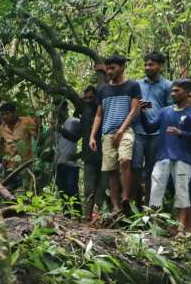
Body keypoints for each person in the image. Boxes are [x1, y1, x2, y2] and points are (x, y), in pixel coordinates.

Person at [139, 79, 191, 230]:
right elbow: (149, 128)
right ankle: (154, 227)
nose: (173, 93)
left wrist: (181, 133)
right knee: (156, 191)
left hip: (183, 158)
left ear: (187, 93)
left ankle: (180, 228)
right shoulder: (164, 111)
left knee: (182, 193)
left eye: (177, 91)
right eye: (172, 91)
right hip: (162, 157)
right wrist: (141, 113)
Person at [89, 54, 142, 214]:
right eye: (108, 68)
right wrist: (92, 136)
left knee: (125, 160)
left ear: (122, 67)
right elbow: (99, 114)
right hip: (107, 134)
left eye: (113, 68)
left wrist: (120, 131)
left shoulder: (132, 86)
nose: (110, 71)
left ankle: (125, 197)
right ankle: (116, 206)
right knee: (111, 171)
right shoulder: (103, 89)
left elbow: (134, 110)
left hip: (125, 131)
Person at [133, 52, 173, 205]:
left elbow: (169, 109)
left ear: (160, 66)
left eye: (151, 65)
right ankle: (134, 205)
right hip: (138, 130)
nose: (147, 68)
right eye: (146, 65)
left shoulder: (168, 86)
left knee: (151, 170)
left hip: (157, 133)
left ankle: (149, 206)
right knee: (135, 168)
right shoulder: (137, 84)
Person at [0, 102, 38, 190]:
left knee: (25, 190)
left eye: (7, 114)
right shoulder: (2, 128)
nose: (4, 117)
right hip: (9, 166)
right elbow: (1, 146)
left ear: (14, 113)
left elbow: (37, 138)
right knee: (10, 191)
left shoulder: (27, 122)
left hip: (25, 165)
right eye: (2, 115)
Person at [79, 86, 106, 218]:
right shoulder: (85, 115)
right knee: (89, 189)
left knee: (101, 188)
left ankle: (97, 215)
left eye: (91, 97)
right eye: (86, 98)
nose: (89, 100)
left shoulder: (104, 113)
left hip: (103, 156)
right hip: (89, 157)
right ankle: (87, 216)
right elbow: (81, 135)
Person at [54, 102, 81, 199]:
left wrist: (78, 155)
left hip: (71, 164)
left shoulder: (74, 121)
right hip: (60, 163)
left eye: (60, 111)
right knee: (62, 193)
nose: (58, 114)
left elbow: (78, 137)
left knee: (72, 191)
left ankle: (77, 214)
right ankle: (66, 214)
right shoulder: (57, 126)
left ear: (66, 110)